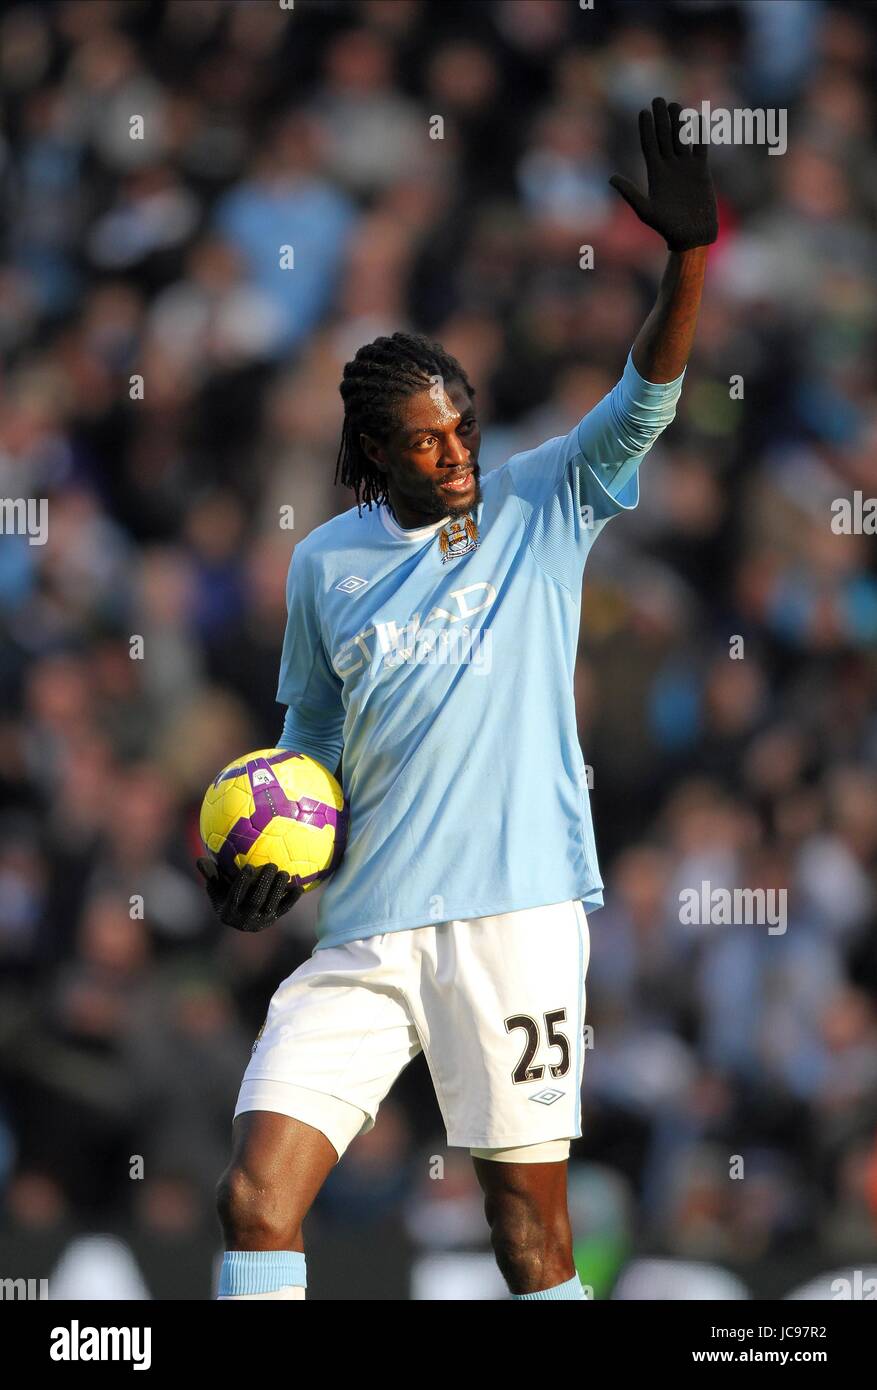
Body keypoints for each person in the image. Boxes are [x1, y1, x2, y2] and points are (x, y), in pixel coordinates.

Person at [198, 99, 717, 1301]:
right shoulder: (324, 560)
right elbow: (313, 741)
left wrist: (689, 257)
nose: (457, 453)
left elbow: (646, 398)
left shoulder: (545, 502)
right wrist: (276, 851)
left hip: (516, 915)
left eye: (464, 428)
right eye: (428, 440)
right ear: (376, 452)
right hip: (369, 924)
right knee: (253, 1196)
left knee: (528, 1240)